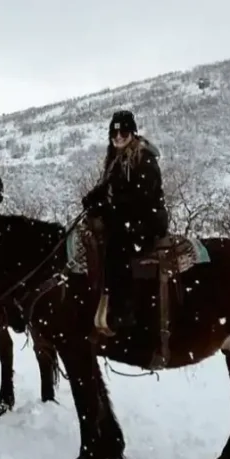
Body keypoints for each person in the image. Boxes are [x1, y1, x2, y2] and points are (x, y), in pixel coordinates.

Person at [81, 109, 169, 332]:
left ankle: (123, 310)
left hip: (147, 220)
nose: (118, 137)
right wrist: (91, 199)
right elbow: (107, 187)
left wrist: (109, 207)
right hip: (124, 217)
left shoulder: (144, 159)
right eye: (114, 133)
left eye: (124, 132)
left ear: (133, 133)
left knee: (117, 248)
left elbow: (141, 198)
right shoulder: (115, 158)